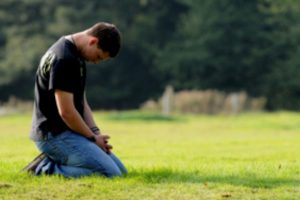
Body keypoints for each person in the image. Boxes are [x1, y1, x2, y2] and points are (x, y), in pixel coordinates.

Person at [24, 22, 127, 178]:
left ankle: (61, 163)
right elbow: (66, 112)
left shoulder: (76, 56)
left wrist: (96, 133)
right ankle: (44, 168)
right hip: (53, 135)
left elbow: (81, 101)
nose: (96, 62)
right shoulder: (65, 58)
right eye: (98, 56)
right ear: (93, 41)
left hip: (69, 132)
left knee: (121, 172)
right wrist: (92, 139)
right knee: (111, 174)